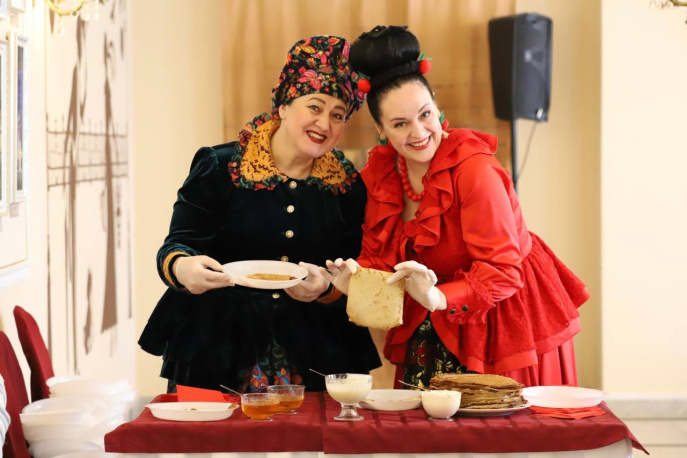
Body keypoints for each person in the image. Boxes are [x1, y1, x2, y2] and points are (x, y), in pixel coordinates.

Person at [324, 26, 589, 389]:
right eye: (400, 124)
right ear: (380, 128)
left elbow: (501, 271)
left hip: (503, 314)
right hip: (434, 312)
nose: (419, 132)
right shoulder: (382, 175)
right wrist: (353, 280)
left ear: (437, 106)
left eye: (425, 114)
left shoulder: (475, 171)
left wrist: (437, 296)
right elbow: (381, 261)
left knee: (498, 419)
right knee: (426, 421)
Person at [138, 35, 381, 393]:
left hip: (314, 350)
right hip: (215, 344)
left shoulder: (345, 185)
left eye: (337, 115)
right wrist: (183, 269)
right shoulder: (221, 166)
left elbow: (353, 265)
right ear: (283, 105)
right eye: (314, 107)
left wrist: (326, 288)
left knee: (311, 431)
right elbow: (177, 246)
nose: (324, 123)